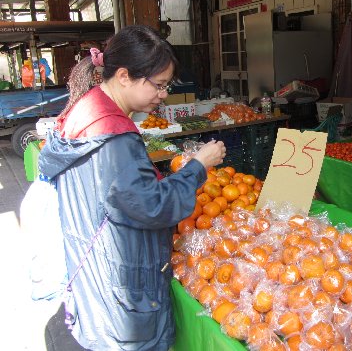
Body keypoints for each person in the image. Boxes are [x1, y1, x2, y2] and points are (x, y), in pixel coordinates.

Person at [39, 25, 226, 351]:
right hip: (121, 288)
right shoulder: (113, 137)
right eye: (159, 85)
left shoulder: (86, 110)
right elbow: (152, 207)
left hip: (96, 274)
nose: (164, 94)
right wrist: (199, 166)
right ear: (124, 76)